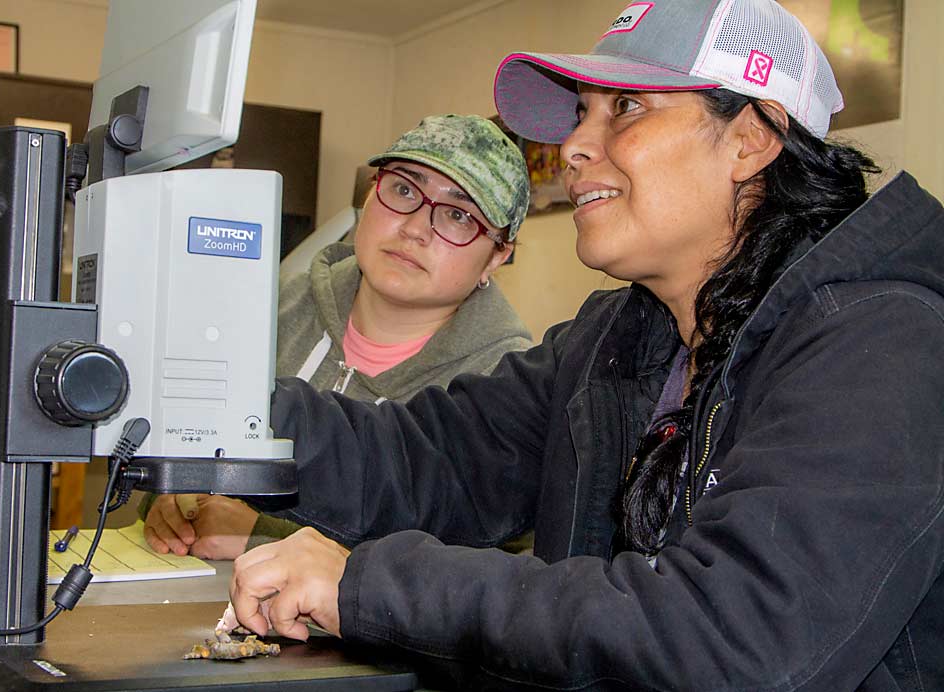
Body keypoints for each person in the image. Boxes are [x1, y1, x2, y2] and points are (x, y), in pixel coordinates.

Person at [227, 1, 944, 689]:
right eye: (580, 113)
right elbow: (425, 461)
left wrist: (369, 585)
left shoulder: (884, 345)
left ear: (751, 139)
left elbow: (735, 638)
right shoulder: (616, 340)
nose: (572, 146)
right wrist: (208, 404)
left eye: (625, 108)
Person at [141, 114, 534, 559]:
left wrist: (265, 533)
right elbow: (171, 440)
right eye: (404, 189)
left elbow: (487, 567)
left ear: (497, 257)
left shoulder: (504, 386)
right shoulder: (269, 309)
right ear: (370, 194)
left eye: (459, 215)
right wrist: (172, 501)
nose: (415, 229)